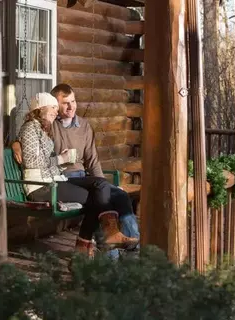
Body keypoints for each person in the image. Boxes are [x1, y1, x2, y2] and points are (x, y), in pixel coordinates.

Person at [13, 85, 140, 258]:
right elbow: (29, 140)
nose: (70, 107)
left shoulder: (82, 126)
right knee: (99, 199)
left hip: (77, 178)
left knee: (118, 195)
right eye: (63, 104)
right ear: (50, 107)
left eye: (73, 101)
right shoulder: (50, 125)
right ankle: (109, 255)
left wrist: (106, 187)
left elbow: (92, 159)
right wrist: (16, 143)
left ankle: (132, 247)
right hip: (61, 179)